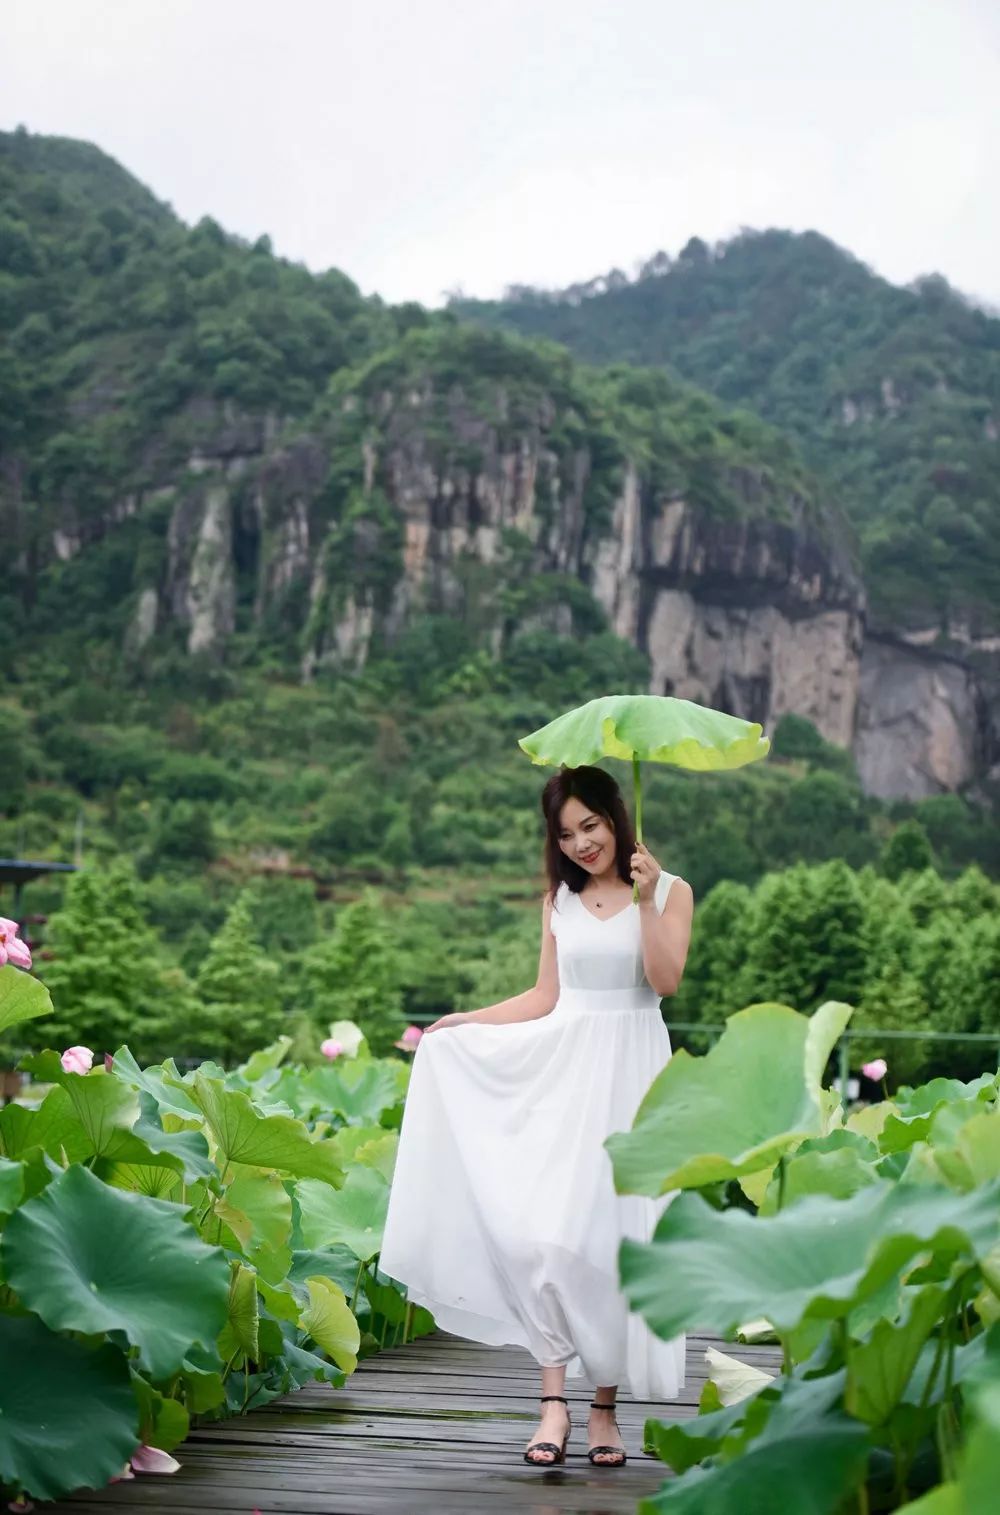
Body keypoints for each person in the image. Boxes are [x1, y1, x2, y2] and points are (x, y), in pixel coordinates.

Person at [378, 763, 694, 1467]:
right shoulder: (559, 901)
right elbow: (545, 995)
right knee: (544, 1234)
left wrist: (647, 898)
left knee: (614, 1239)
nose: (582, 843)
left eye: (592, 825)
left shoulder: (670, 891)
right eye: (567, 833)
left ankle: (604, 1411)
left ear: (616, 817)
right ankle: (553, 1401)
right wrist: (465, 1021)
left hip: (636, 1074)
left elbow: (666, 979)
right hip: (565, 1072)